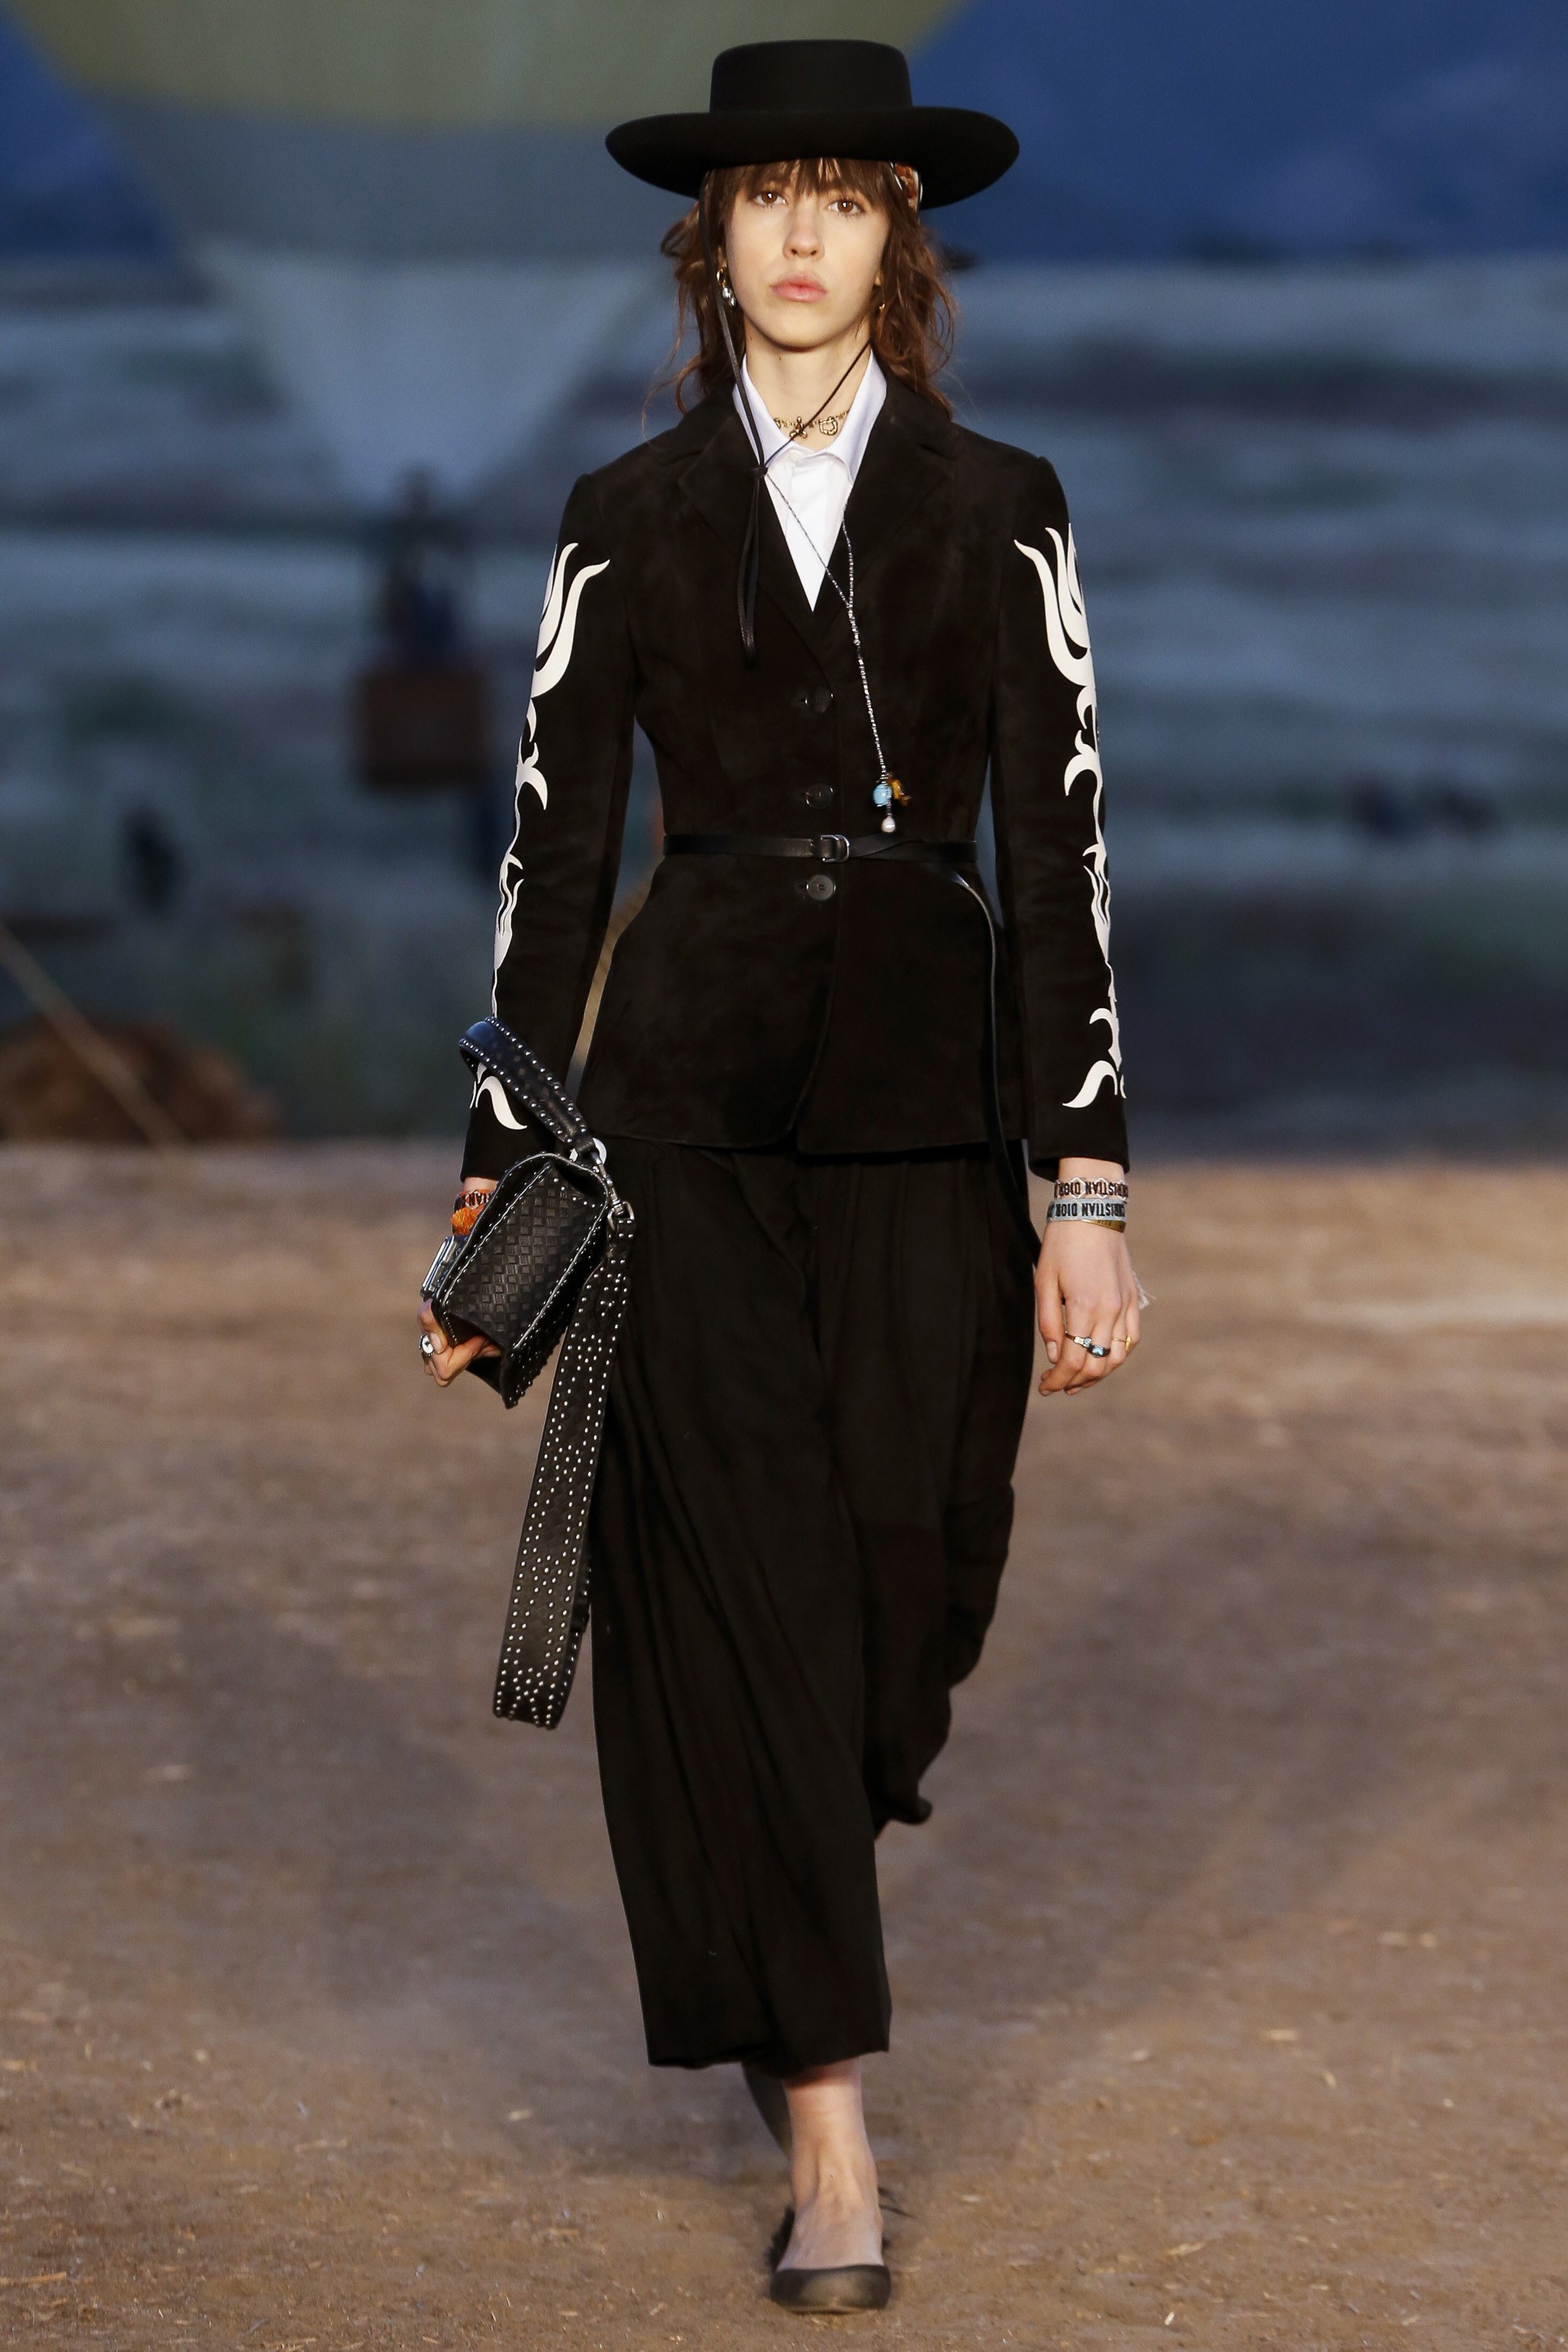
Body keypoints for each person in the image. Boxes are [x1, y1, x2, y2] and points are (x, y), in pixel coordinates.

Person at [420, 39, 1142, 2315]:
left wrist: (1087, 1184)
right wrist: (502, 1172)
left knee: (906, 1593)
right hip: (688, 1117)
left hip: (935, 1107)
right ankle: (832, 2141)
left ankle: (787, 1891)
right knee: (740, 1596)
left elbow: (1064, 847)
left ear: (897, 234)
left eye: (846, 191)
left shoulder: (1004, 502)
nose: (804, 230)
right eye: (765, 194)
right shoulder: (622, 514)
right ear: (709, 237)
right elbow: (551, 859)